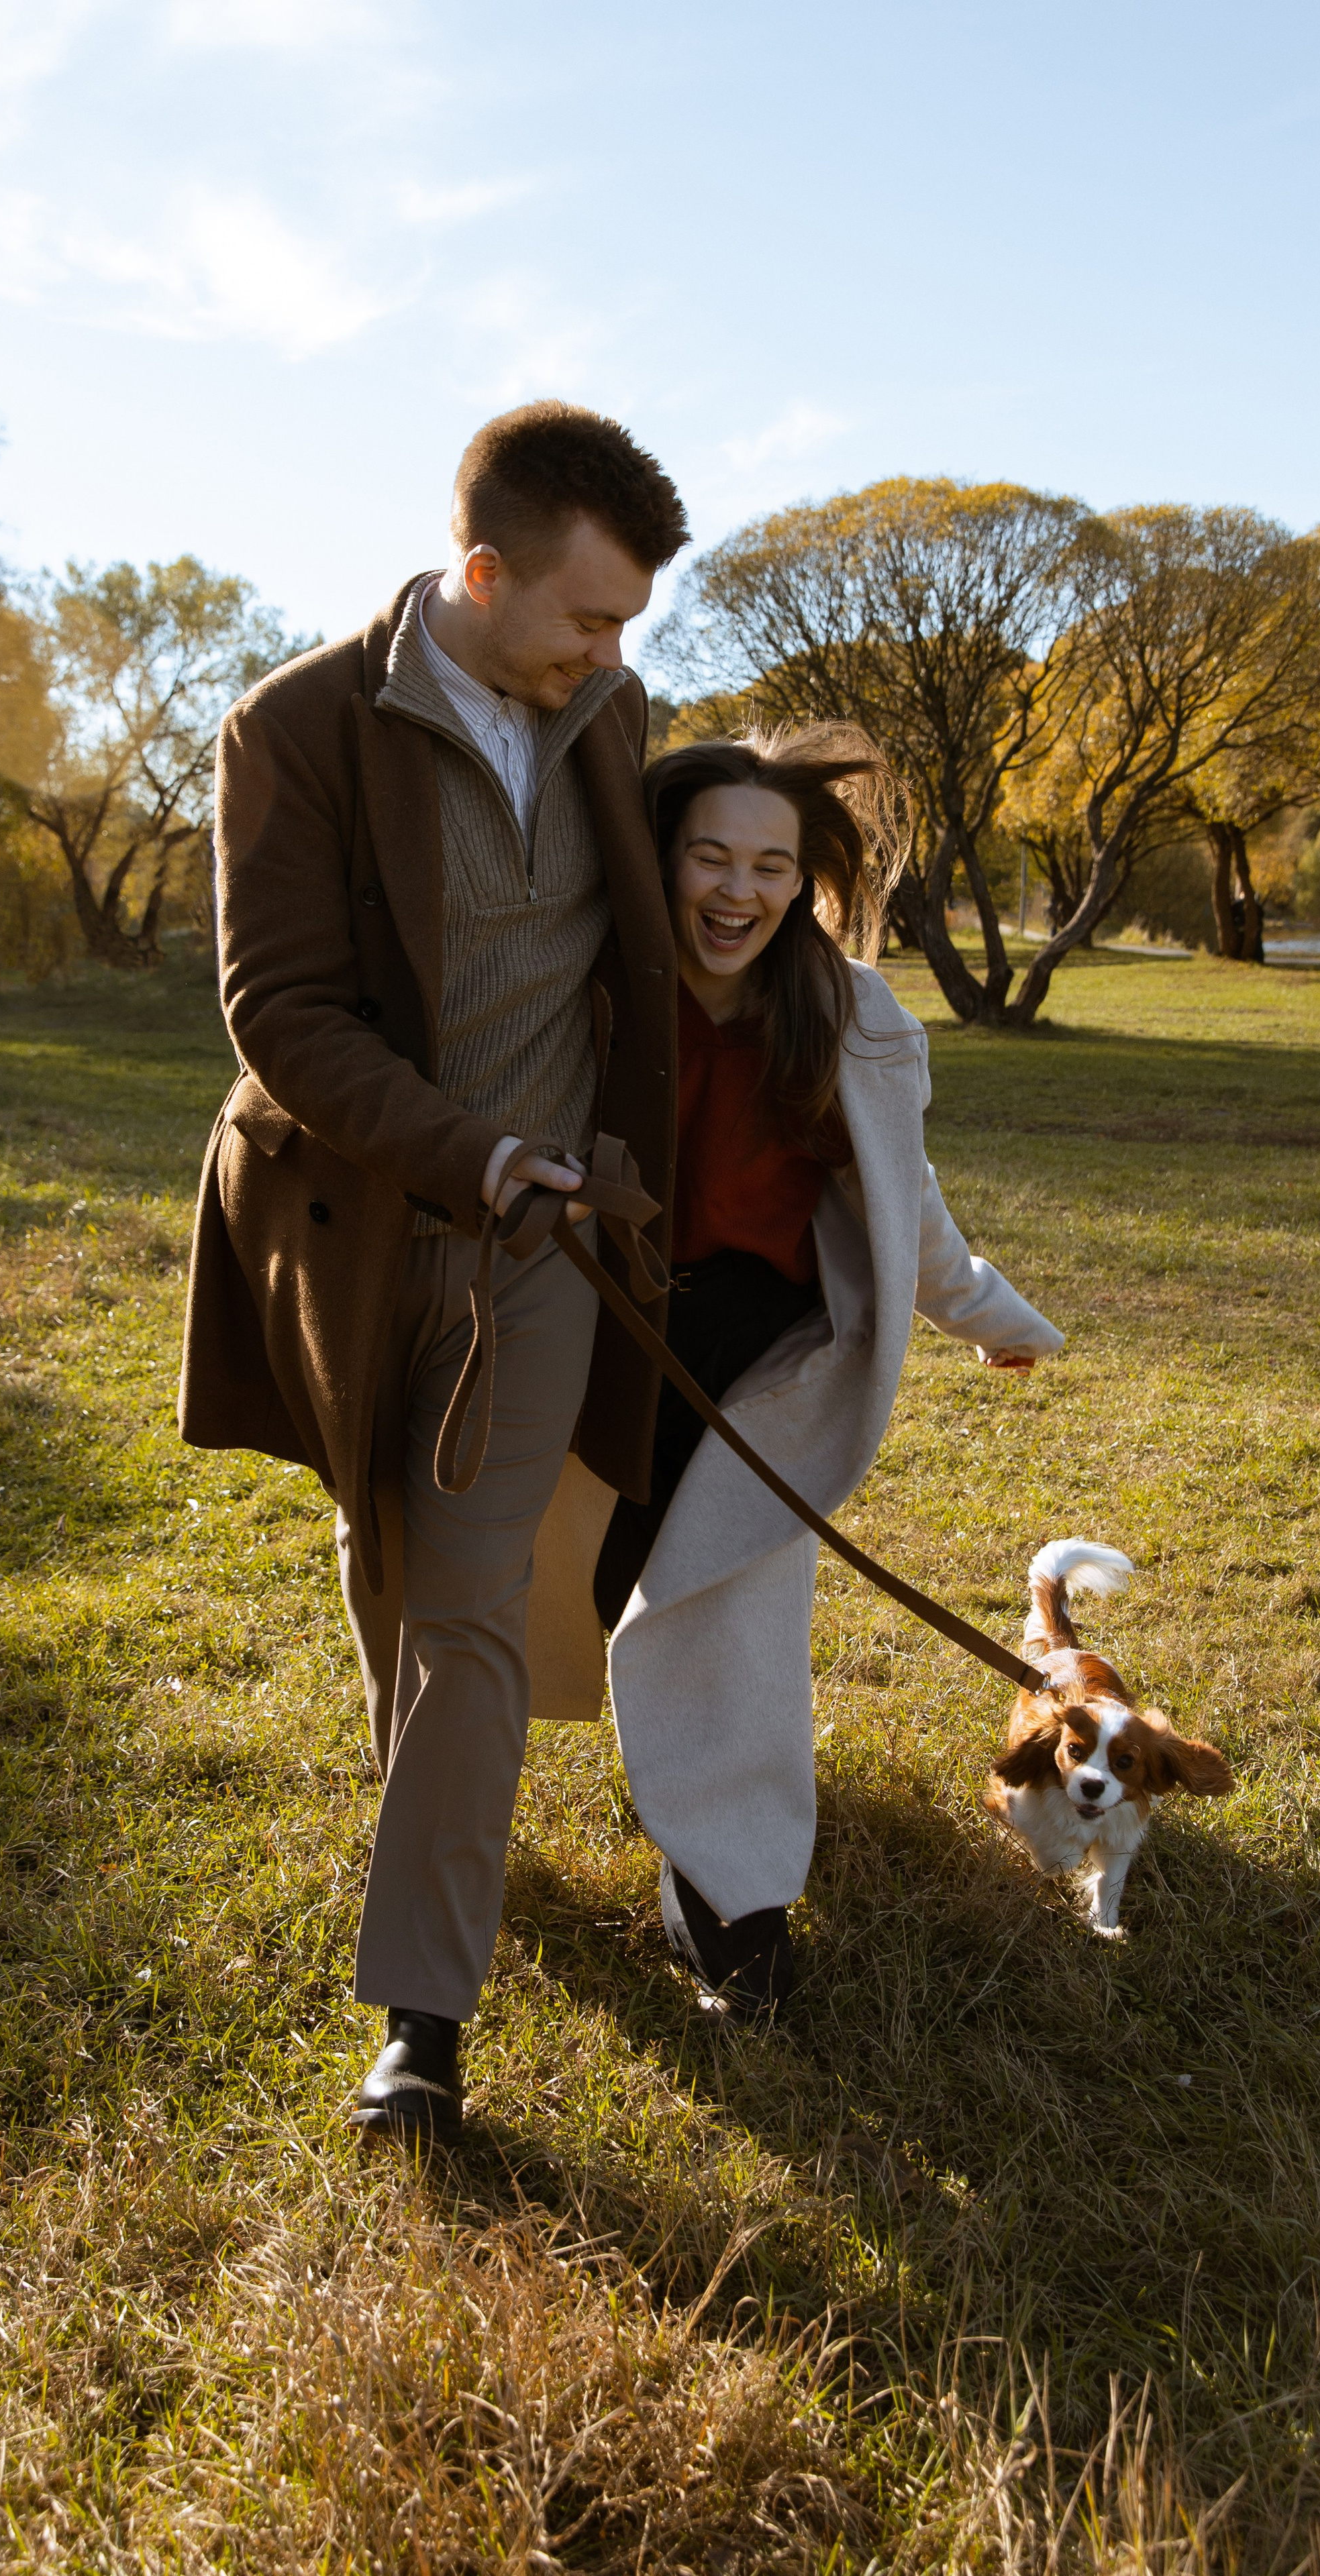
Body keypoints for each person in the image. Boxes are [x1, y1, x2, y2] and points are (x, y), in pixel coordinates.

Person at [178, 401, 689, 2146]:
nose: (611, 656)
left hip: (542, 1248)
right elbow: (278, 1009)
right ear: (481, 571)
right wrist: (462, 1150)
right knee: (384, 1554)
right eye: (588, 616)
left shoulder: (611, 712)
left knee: (468, 1597)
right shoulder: (296, 726)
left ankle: (422, 2023)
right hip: (345, 1230)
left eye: (627, 626)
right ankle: (439, 1812)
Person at [527, 727, 1064, 2017]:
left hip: (760, 1363)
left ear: (805, 879)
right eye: (709, 856)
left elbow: (900, 1201)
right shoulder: (582, 987)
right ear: (659, 859)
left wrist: (987, 1313)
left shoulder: (842, 1010)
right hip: (587, 1341)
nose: (739, 891)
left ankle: (734, 1905)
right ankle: (456, 1814)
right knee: (568, 1591)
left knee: (727, 1619)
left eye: (771, 866)